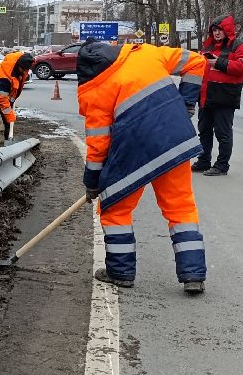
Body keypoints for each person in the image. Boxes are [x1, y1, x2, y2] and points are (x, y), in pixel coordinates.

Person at [77, 39, 209, 295]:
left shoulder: (96, 91)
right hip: (175, 141)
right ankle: (193, 274)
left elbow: (98, 147)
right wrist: (186, 103)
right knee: (181, 206)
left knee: (115, 210)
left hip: (133, 152)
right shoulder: (146, 53)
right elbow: (197, 62)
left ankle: (121, 272)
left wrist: (92, 183)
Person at [192, 15, 243, 176]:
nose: (217, 33)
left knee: (223, 133)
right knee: (204, 130)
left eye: (219, 30)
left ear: (227, 30)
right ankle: (204, 160)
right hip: (206, 95)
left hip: (224, 97)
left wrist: (218, 62)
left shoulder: (240, 46)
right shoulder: (208, 46)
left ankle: (221, 165)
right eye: (214, 30)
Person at [0, 50, 35, 139]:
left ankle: (6, 132)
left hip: (6, 92)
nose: (25, 71)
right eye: (24, 70)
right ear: (19, 66)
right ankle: (3, 137)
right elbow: (1, 99)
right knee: (4, 116)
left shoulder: (21, 61)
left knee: (8, 115)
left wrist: (11, 102)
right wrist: (10, 116)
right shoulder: (3, 78)